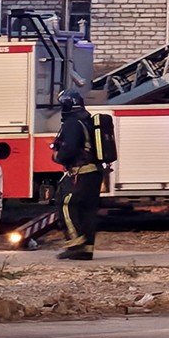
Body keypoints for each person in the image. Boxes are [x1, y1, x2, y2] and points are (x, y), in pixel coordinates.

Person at [51, 89, 102, 260]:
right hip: (94, 173)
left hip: (81, 173)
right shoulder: (87, 119)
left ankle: (75, 244)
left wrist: (58, 156)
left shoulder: (73, 122)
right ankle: (86, 250)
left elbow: (69, 149)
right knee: (87, 210)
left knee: (65, 204)